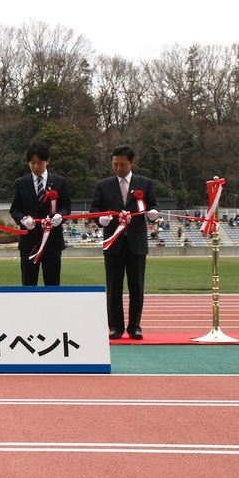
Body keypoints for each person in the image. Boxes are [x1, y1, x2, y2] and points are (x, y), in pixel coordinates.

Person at [91, 145, 158, 340]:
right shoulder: (103, 185)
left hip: (136, 243)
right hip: (113, 242)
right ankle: (115, 327)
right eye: (115, 165)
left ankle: (135, 326)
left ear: (131, 163)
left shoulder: (145, 184)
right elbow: (96, 209)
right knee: (113, 287)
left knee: (136, 287)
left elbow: (153, 206)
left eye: (122, 165)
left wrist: (152, 214)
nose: (118, 169)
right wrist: (99, 219)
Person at [9, 141, 72, 286]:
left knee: (53, 282)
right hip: (29, 241)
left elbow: (66, 207)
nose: (36, 167)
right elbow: (14, 209)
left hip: (53, 240)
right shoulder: (20, 183)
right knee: (28, 283)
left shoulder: (60, 182)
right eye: (32, 163)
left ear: (47, 161)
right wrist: (23, 219)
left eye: (39, 163)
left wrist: (59, 217)